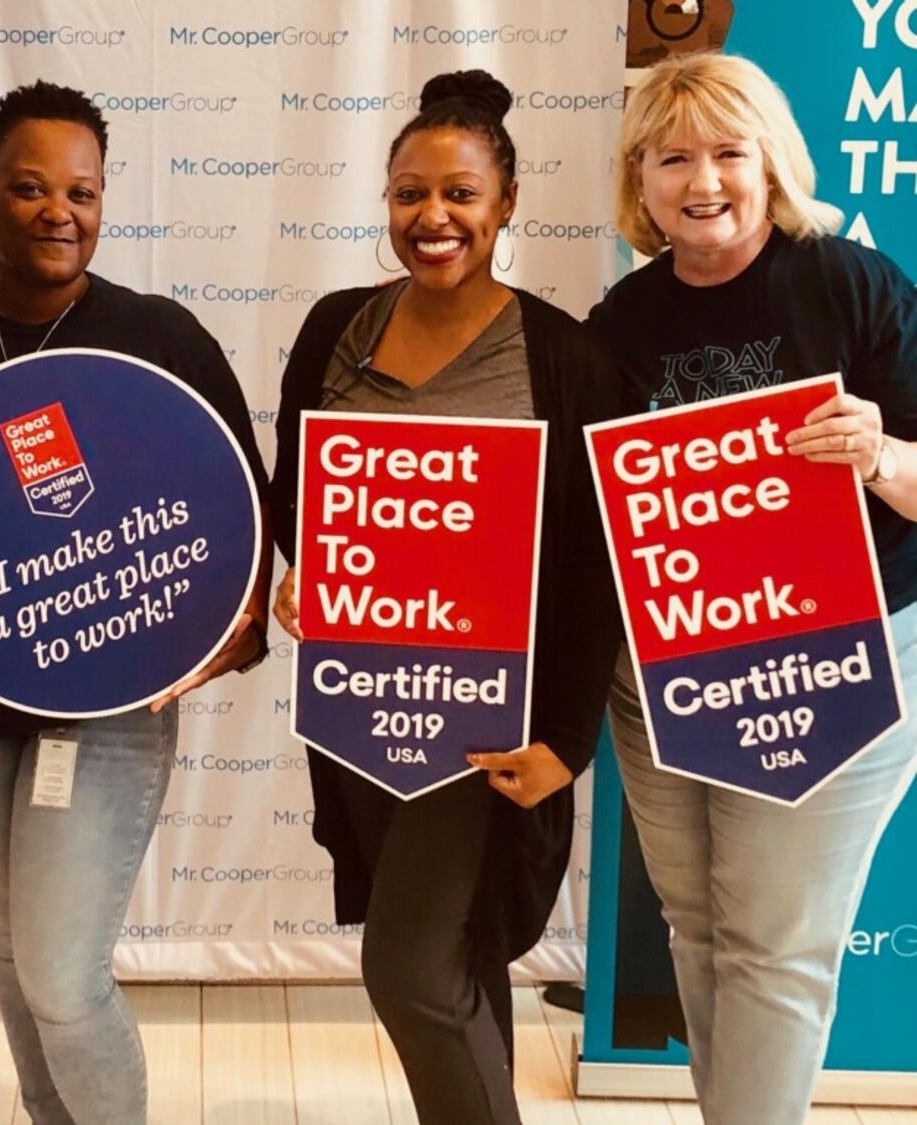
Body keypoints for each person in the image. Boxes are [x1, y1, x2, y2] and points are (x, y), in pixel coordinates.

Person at [0, 80, 269, 1125]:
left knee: (65, 976)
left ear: (105, 202)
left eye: (81, 190)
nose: (56, 210)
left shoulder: (158, 338)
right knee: (18, 945)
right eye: (28, 187)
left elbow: (243, 515)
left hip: (107, 709)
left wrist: (237, 633)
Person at [268, 69, 621, 1124]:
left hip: (491, 731)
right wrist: (307, 571)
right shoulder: (339, 326)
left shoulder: (564, 357)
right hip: (364, 704)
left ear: (505, 204)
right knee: (454, 962)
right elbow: (301, 490)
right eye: (410, 193)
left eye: (460, 194)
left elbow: (594, 570)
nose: (434, 217)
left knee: (411, 971)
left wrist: (567, 737)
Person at [589, 51, 917, 1125]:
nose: (704, 180)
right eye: (672, 156)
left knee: (776, 946)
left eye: (728, 150)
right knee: (699, 928)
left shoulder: (851, 283)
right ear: (639, 180)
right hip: (672, 667)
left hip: (839, 657)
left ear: (770, 157)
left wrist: (877, 456)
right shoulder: (621, 323)